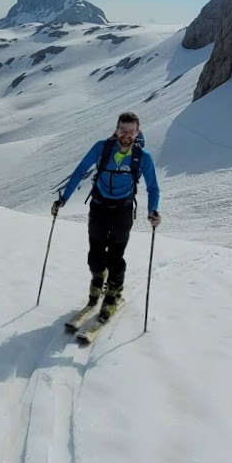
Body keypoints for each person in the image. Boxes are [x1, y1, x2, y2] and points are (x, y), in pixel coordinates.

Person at [51, 112, 162, 319]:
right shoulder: (102, 147)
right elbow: (80, 171)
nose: (126, 134)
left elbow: (153, 188)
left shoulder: (142, 157)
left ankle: (114, 293)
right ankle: (98, 278)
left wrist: (153, 211)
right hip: (99, 208)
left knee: (115, 257)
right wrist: (63, 199)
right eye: (122, 129)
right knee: (95, 257)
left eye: (130, 131)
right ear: (116, 129)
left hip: (123, 211)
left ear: (137, 132)